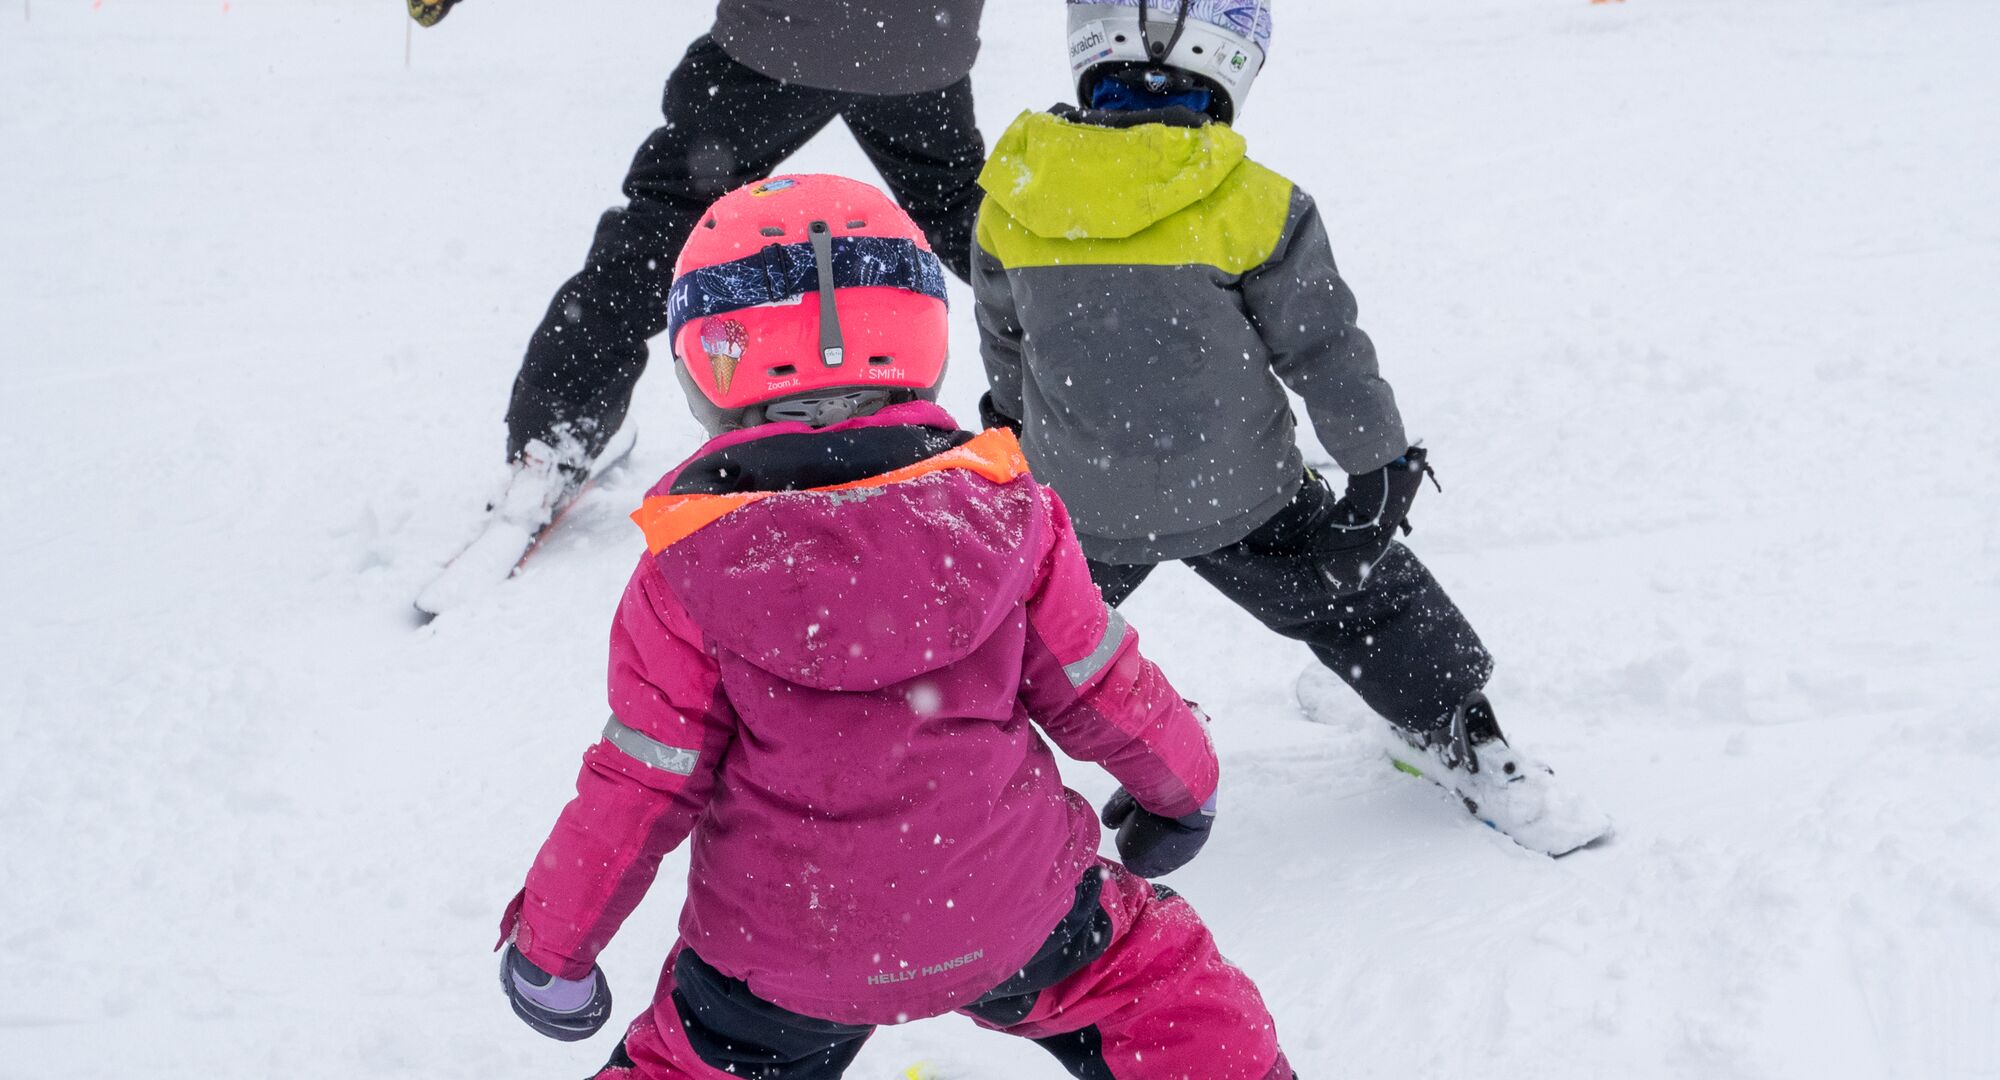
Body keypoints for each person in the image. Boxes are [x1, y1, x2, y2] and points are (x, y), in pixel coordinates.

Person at [495, 175, 1295, 1080]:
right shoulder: (1006, 515)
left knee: (698, 1063)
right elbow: (1098, 683)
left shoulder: (687, 571)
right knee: (1162, 992)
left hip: (783, 957)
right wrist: (1183, 792)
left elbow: (643, 781)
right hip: (1008, 907)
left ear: (705, 367)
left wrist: (551, 951)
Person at [970, 0, 1609, 855]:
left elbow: (1005, 341)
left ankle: (941, 776)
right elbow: (1323, 350)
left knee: (1010, 643)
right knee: (1371, 604)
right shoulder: (1254, 203)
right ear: (1234, 64)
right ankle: (1465, 734)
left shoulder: (1013, 197)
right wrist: (1379, 463)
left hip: (1080, 503)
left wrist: (1011, 426)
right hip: (1244, 495)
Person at [408, 0, 991, 534]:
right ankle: (1065, 410)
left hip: (779, 39)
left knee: (659, 233)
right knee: (981, 235)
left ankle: (551, 441)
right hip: (918, 46)